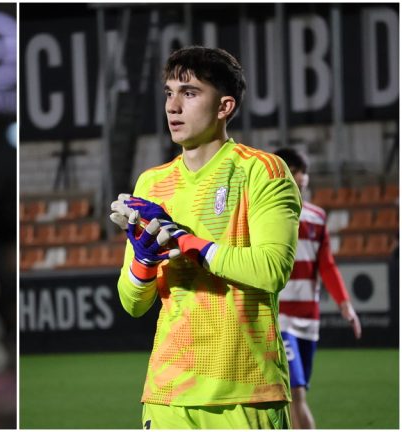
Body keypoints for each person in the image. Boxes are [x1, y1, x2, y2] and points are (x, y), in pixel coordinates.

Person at [110, 46, 301, 429]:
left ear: (224, 106)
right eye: (168, 93)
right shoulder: (151, 183)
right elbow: (132, 304)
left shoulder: (262, 170)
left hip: (246, 393)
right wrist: (144, 261)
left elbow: (272, 270)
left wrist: (187, 243)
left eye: (190, 92)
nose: (173, 106)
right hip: (168, 397)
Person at [273, 148, 362, 429]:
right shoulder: (264, 215)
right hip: (279, 317)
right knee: (295, 394)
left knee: (295, 396)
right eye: (293, 171)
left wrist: (345, 305)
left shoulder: (316, 217)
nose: (300, 177)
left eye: (302, 172)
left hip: (309, 320)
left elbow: (327, 265)